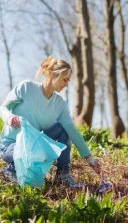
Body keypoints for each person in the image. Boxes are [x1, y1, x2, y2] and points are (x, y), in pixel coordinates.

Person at [0, 56, 101, 188]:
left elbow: (72, 131)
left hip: (33, 144)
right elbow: (4, 107)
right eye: (65, 80)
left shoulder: (60, 104)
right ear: (53, 74)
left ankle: (63, 174)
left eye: (68, 81)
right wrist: (9, 117)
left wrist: (89, 158)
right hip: (10, 146)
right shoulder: (26, 88)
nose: (66, 84)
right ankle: (11, 169)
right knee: (23, 151)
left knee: (64, 128)